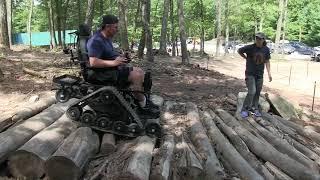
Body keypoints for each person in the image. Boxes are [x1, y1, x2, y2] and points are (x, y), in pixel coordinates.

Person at [86, 14, 159, 117]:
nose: (117, 29)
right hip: (102, 74)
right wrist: (115, 63)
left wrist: (121, 56)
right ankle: (143, 106)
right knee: (137, 75)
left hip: (111, 69)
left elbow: (108, 55)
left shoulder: (106, 38)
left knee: (141, 72)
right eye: (115, 27)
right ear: (107, 27)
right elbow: (93, 62)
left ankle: (143, 100)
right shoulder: (96, 40)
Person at [238, 32, 272, 118]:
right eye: (256, 38)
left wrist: (269, 73)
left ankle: (254, 108)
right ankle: (245, 109)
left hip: (260, 75)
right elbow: (240, 50)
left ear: (263, 40)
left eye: (260, 39)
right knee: (252, 91)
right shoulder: (250, 47)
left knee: (257, 92)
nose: (257, 40)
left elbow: (267, 61)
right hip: (250, 74)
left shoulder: (266, 49)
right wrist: (245, 57)